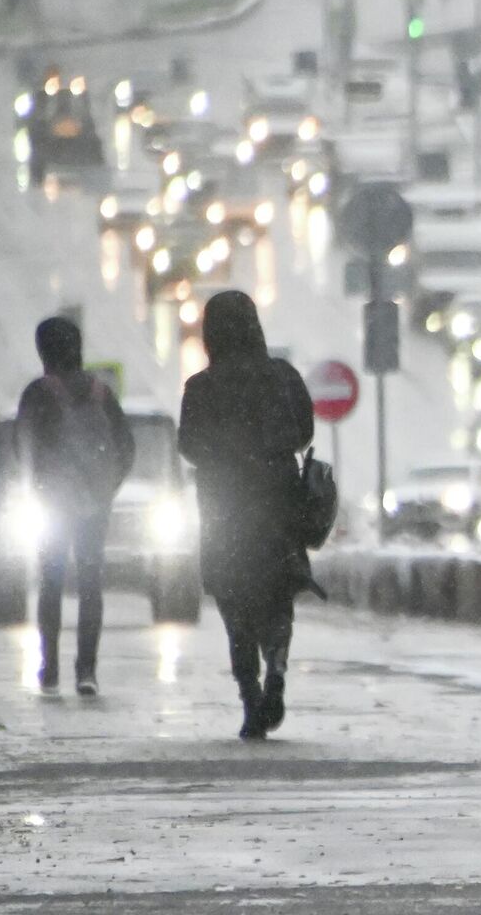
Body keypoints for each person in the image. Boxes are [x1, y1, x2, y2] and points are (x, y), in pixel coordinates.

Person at [177, 290, 315, 740]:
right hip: (277, 504)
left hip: (224, 508)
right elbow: (304, 430)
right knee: (278, 595)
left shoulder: (200, 387)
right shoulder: (283, 377)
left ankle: (250, 692)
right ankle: (276, 667)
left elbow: (189, 447)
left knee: (234, 603)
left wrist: (227, 455)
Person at [15, 317, 134, 696]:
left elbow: (21, 446)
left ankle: (49, 667)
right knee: (90, 584)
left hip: (53, 503)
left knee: (50, 583)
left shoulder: (38, 393)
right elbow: (126, 447)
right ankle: (87, 670)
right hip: (94, 503)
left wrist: (36, 486)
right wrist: (106, 487)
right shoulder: (102, 392)